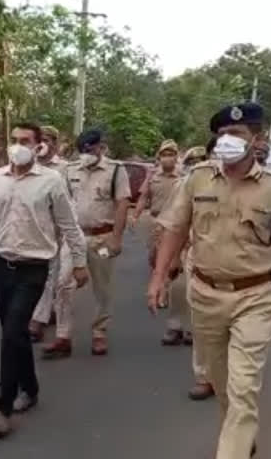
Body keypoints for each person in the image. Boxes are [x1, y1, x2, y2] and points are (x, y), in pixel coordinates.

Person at [149, 102, 271, 459]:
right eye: (222, 134)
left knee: (243, 389)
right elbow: (175, 230)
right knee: (224, 387)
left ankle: (232, 450)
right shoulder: (197, 179)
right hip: (205, 295)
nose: (227, 140)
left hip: (254, 296)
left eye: (236, 134)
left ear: (256, 139)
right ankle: (240, 440)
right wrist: (160, 276)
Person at [0, 122, 89, 438]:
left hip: (35, 268)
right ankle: (30, 386)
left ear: (39, 146)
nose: (18, 145)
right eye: (14, 140)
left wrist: (79, 264)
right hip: (3, 266)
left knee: (14, 331)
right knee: (12, 335)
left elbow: (70, 226)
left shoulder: (51, 181)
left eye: (25, 140)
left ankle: (2, 406)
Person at [43, 129, 131, 358]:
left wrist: (117, 238)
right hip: (74, 238)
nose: (86, 154)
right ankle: (63, 336)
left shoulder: (115, 170)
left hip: (102, 238)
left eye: (90, 149)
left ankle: (99, 332)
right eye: (82, 150)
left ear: (100, 147)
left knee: (102, 287)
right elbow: (61, 202)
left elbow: (122, 203)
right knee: (63, 283)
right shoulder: (69, 170)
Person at [131, 139, 184, 343]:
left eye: (171, 154)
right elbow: (144, 197)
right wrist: (135, 215)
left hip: (175, 225)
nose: (168, 157)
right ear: (159, 157)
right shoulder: (152, 176)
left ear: (176, 157)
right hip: (155, 223)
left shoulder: (183, 178)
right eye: (164, 154)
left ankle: (165, 292)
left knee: (172, 262)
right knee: (155, 258)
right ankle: (161, 285)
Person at [177, 146, 215, 401]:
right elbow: (177, 224)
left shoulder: (262, 185)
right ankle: (204, 376)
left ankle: (227, 373)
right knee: (201, 320)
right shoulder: (192, 183)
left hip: (243, 269)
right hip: (198, 259)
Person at [28, 125, 70, 343]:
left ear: (54, 143)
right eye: (40, 139)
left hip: (55, 229)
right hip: (31, 228)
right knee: (33, 273)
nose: (43, 143)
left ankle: (37, 321)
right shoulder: (28, 165)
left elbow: (71, 199)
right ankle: (45, 310)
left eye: (47, 139)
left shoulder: (65, 169)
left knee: (49, 273)